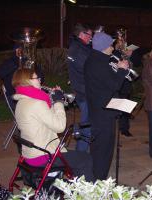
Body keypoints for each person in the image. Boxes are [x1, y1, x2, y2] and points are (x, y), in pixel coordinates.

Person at [12, 68, 95, 182]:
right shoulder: (37, 103)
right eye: (37, 78)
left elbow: (44, 117)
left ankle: (77, 186)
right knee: (85, 159)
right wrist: (58, 102)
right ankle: (88, 192)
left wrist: (54, 101)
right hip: (43, 156)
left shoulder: (22, 102)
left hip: (30, 154)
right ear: (28, 81)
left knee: (76, 159)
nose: (40, 81)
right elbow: (60, 126)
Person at [84, 32, 129, 180]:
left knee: (98, 146)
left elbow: (104, 81)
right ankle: (99, 179)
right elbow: (114, 85)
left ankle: (96, 175)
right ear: (104, 47)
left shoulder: (94, 59)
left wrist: (115, 68)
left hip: (98, 109)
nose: (112, 47)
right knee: (104, 148)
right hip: (104, 112)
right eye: (110, 45)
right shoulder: (100, 63)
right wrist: (122, 70)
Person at [67, 23, 93, 152]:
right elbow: (89, 69)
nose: (91, 38)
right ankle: (81, 153)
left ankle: (82, 150)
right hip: (84, 91)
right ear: (82, 34)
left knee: (87, 122)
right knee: (87, 124)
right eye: (90, 35)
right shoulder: (79, 50)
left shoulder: (77, 47)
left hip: (81, 89)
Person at [0, 45, 44, 110]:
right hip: (14, 96)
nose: (20, 51)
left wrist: (32, 67)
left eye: (22, 49)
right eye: (18, 49)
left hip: (31, 94)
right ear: (15, 51)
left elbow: (41, 77)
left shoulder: (29, 62)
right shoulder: (9, 62)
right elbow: (0, 73)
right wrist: (16, 63)